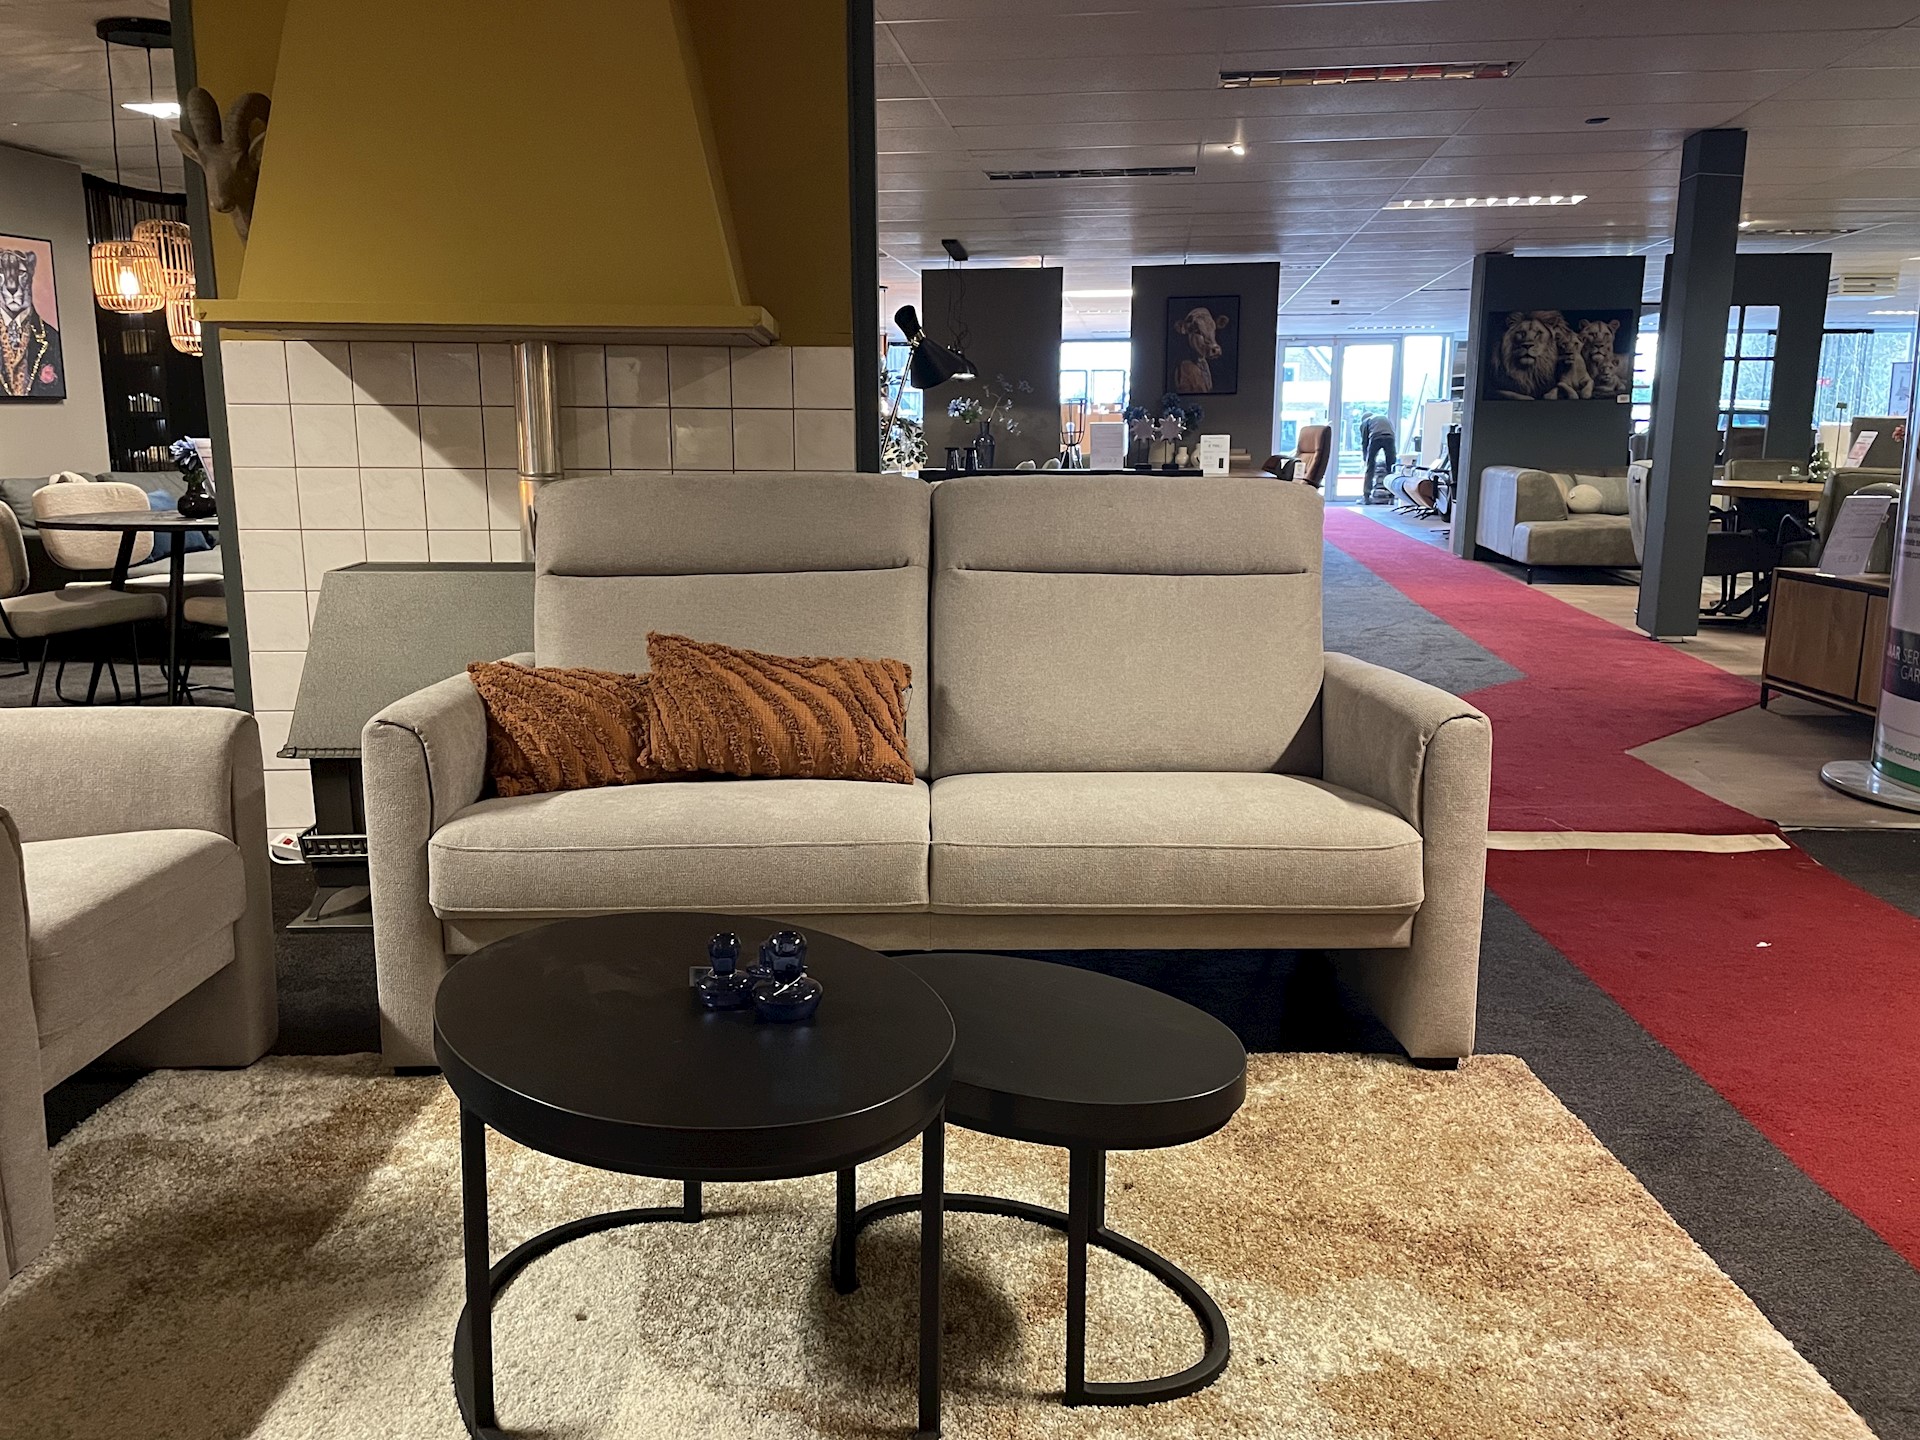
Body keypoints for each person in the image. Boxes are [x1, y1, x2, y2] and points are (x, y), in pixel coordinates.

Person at [1360, 414, 1397, 502]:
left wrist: (1366, 458)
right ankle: (1391, 496)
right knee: (1391, 467)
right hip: (1390, 437)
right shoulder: (1383, 418)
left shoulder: (1365, 421)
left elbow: (1364, 441)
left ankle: (1366, 496)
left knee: (1370, 468)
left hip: (1376, 437)